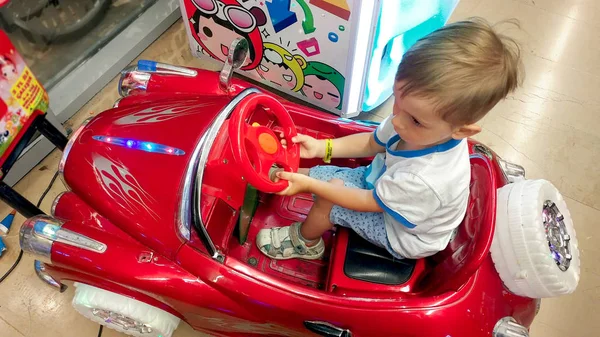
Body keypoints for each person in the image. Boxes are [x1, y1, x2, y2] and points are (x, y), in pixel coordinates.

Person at [256, 17, 523, 260]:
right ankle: (290, 179)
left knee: (328, 198)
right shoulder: (415, 122)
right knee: (322, 175)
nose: (396, 120)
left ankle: (306, 242)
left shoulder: (426, 179)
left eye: (415, 119)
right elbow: (371, 142)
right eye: (397, 100)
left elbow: (370, 203)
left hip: (401, 234)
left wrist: (314, 186)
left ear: (461, 131)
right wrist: (321, 147)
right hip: (386, 187)